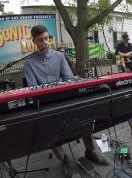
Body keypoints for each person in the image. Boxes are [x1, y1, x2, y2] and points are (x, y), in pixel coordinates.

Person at [24, 25, 108, 178]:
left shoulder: (59, 56)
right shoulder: (29, 62)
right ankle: (65, 160)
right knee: (49, 128)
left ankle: (90, 151)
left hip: (64, 98)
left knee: (85, 117)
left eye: (46, 38)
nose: (45, 42)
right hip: (45, 103)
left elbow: (68, 78)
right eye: (40, 40)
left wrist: (71, 83)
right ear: (34, 41)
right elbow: (32, 88)